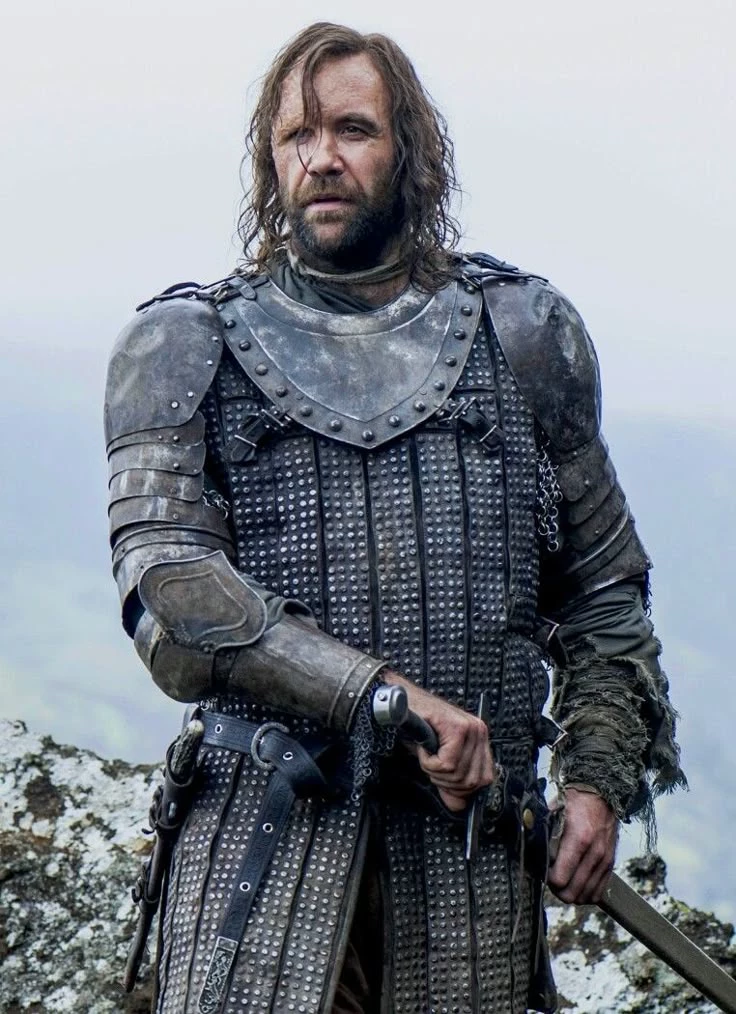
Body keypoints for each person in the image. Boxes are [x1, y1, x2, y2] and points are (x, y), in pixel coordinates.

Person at [105, 22, 685, 1014]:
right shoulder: (183, 345)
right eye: (297, 135)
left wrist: (593, 781)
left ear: (409, 148)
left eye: (352, 129)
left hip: (469, 870)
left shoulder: (523, 336)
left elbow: (603, 594)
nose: (321, 158)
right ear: (269, 158)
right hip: (260, 845)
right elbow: (173, 596)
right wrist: (387, 700)